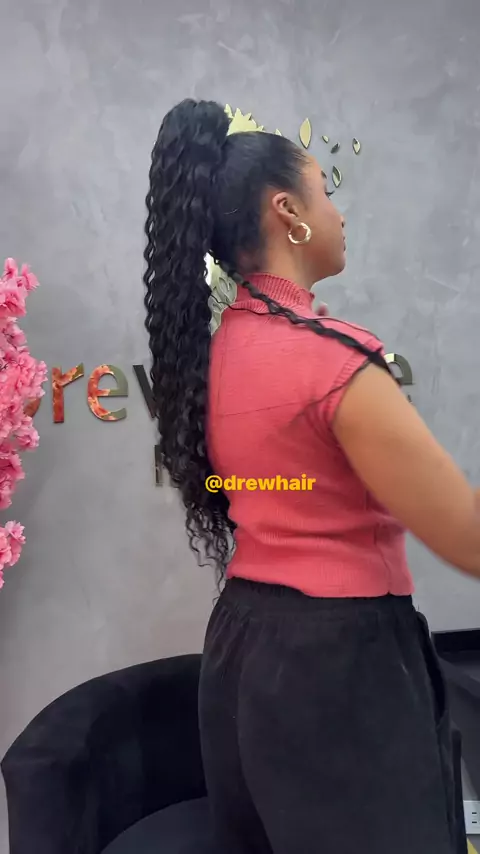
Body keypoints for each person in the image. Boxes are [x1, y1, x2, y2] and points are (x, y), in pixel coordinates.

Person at [143, 98, 477, 854]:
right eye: (326, 191)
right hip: (340, 667)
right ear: (287, 211)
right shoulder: (335, 361)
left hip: (241, 652)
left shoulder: (213, 358)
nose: (339, 212)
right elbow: (469, 538)